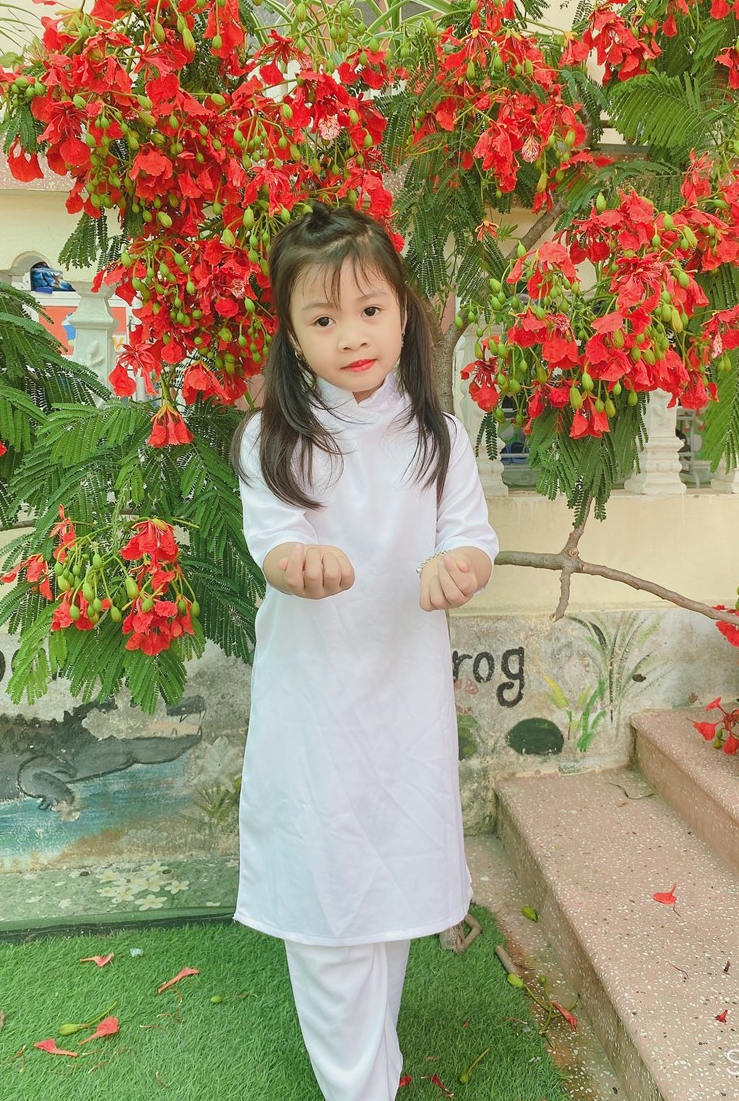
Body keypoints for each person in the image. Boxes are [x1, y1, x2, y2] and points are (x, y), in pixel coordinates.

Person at [232, 202, 499, 1101]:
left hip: (404, 703)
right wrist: (298, 564)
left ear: (404, 315)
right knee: (328, 913)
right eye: (323, 318)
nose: (352, 335)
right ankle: (361, 1089)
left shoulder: (438, 437)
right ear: (292, 335)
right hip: (315, 707)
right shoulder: (271, 439)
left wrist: (461, 567)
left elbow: (471, 537)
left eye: (371, 309)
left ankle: (371, 1076)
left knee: (386, 904)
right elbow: (274, 541)